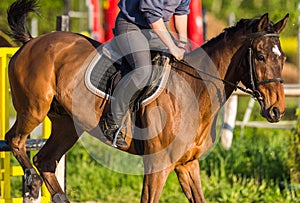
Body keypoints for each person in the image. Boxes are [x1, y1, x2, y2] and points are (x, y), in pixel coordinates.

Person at [100, 0, 190, 148]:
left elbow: (181, 12)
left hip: (156, 29)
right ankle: (111, 121)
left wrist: (182, 43)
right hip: (132, 25)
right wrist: (172, 47)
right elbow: (152, 15)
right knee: (143, 71)